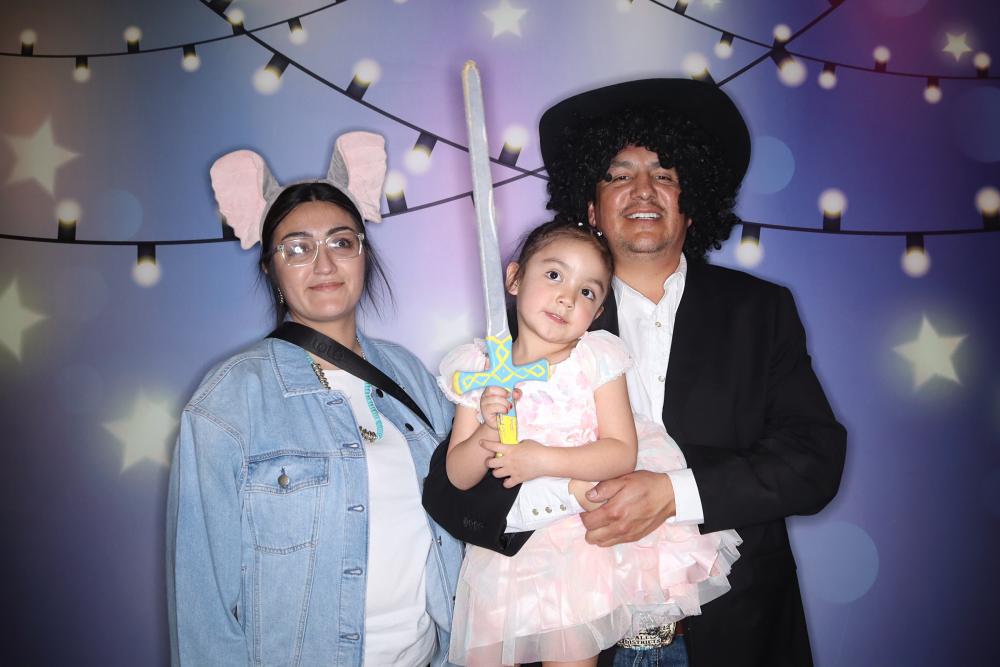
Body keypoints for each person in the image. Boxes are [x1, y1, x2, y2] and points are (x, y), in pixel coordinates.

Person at [423, 79, 847, 666]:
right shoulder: (547, 320)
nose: (643, 189)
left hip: (732, 634)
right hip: (577, 636)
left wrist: (674, 495)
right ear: (591, 208)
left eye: (665, 175)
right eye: (618, 175)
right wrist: (559, 494)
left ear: (692, 204)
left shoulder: (760, 310)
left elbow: (813, 461)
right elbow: (449, 491)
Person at [166, 132, 462, 666]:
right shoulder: (229, 402)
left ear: (363, 254)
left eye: (341, 243)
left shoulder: (412, 376)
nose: (324, 265)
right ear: (270, 267)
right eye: (297, 248)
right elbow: (203, 603)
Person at [439, 220, 740, 667]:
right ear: (514, 278)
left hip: (579, 549)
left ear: (597, 312)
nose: (567, 297)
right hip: (504, 556)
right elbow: (458, 476)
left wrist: (541, 459)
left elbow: (621, 453)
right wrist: (487, 430)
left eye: (587, 292)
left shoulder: (595, 360)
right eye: (554, 275)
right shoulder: (480, 368)